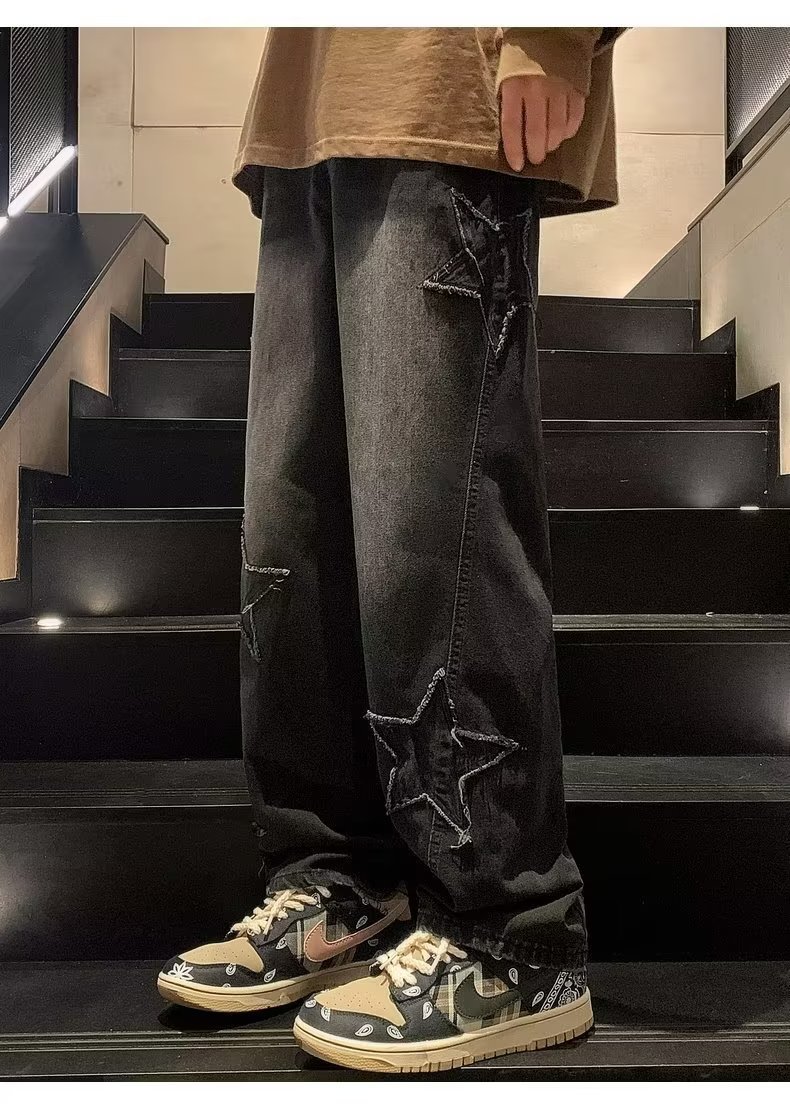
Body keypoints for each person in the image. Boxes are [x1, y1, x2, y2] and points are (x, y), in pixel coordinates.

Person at [157, 27, 623, 1073]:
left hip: (445, 90)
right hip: (308, 114)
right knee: (294, 548)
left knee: (435, 534)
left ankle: (512, 934)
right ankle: (342, 883)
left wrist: (552, 30)